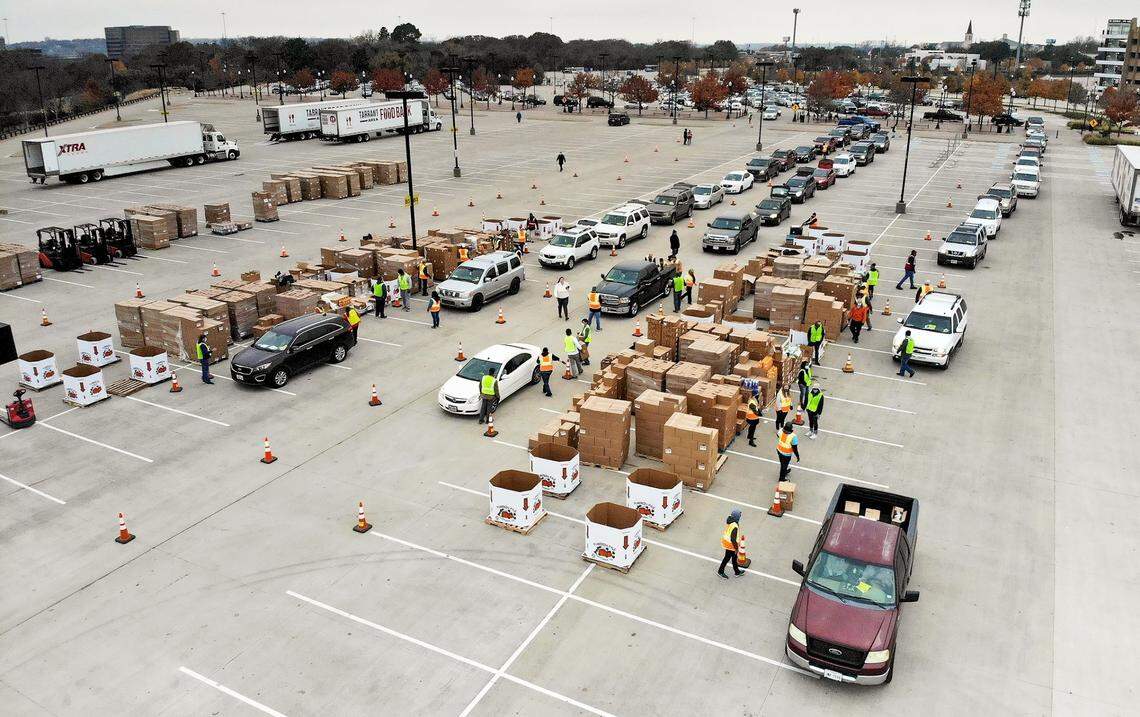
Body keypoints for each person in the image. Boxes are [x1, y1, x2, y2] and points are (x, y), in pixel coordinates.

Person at [718, 510, 746, 579]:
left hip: (727, 543)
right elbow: (733, 539)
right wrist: (736, 548)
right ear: (737, 517)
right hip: (730, 545)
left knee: (733, 558)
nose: (740, 518)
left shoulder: (731, 521)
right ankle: (720, 572)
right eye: (739, 516)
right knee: (727, 558)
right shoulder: (735, 526)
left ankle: (736, 572)